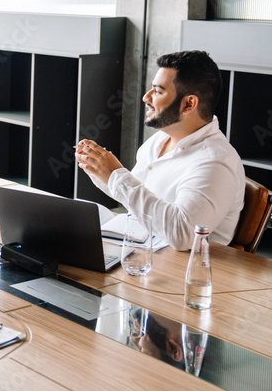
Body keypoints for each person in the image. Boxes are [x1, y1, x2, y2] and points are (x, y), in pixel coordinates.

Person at [75, 50, 245, 250]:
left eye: (158, 90)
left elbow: (183, 234)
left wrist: (116, 176)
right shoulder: (159, 140)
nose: (146, 97)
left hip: (182, 272)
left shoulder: (215, 162)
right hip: (143, 252)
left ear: (189, 104)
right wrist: (99, 170)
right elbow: (140, 205)